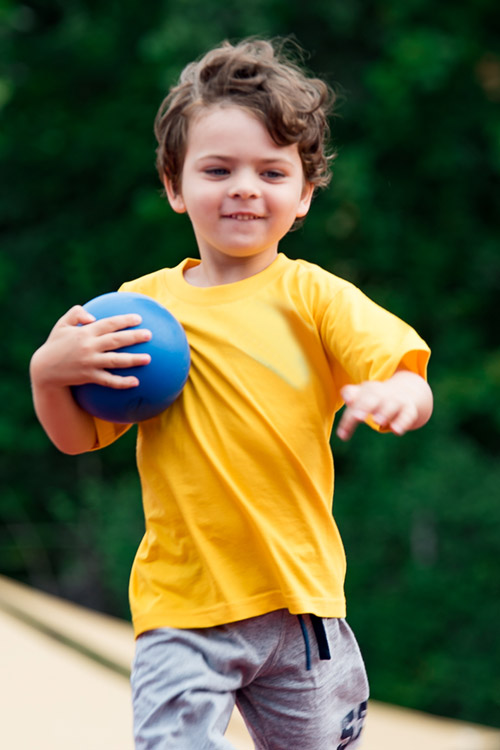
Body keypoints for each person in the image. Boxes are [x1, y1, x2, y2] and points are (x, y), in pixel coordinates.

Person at [30, 38, 433, 750]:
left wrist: (399, 392)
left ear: (304, 194)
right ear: (175, 185)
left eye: (271, 171)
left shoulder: (314, 296)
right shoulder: (134, 311)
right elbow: (75, 437)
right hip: (182, 607)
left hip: (298, 603)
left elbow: (402, 370)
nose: (245, 187)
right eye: (218, 169)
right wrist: (48, 372)